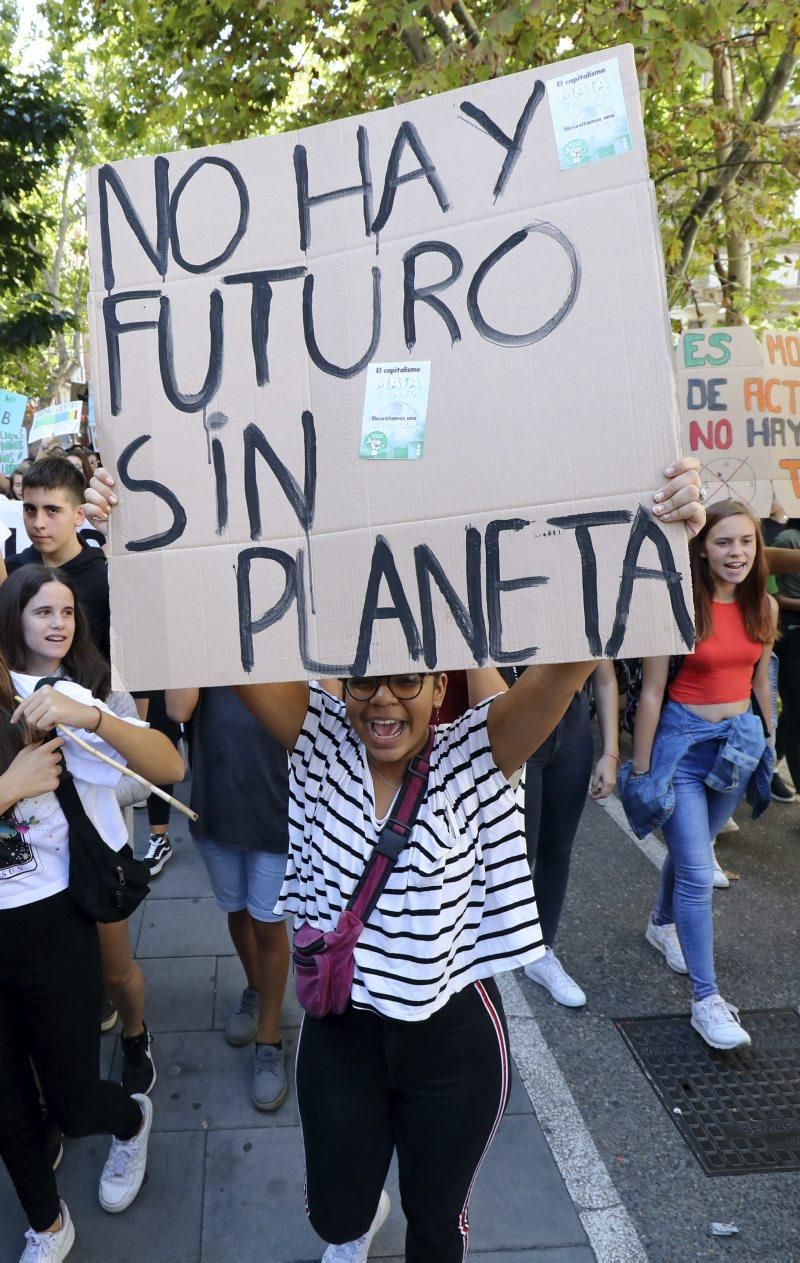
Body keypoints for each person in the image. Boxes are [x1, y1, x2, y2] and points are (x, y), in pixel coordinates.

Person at [88, 459, 704, 1261]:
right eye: (364, 681)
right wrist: (133, 534)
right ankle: (355, 1226)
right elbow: (217, 627)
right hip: (343, 1032)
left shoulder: (478, 753)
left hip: (454, 1042)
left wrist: (658, 539)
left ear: (437, 679)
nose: (384, 698)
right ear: (339, 687)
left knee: (436, 1225)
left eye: (406, 679)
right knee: (338, 1215)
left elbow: (573, 660)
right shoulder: (314, 741)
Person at [0, 563, 184, 1262]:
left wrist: (91, 713)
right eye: (41, 610)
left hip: (50, 920)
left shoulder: (52, 695)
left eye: (65, 611)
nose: (56, 623)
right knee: (8, 1105)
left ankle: (130, 1117)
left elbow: (169, 766)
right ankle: (47, 1224)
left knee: (74, 1099)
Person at [621, 500, 776, 1051]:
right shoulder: (679, 606)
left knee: (697, 847)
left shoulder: (766, 607)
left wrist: (767, 746)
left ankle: (660, 924)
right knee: (695, 870)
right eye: (724, 542)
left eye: (746, 542)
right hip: (684, 748)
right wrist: (641, 770)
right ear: (702, 548)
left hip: (736, 747)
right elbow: (653, 693)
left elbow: (761, 686)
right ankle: (707, 1001)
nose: (736, 553)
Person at [166, 686, 291, 1110]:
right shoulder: (201, 646)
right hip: (215, 809)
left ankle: (269, 1039)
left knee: (268, 923)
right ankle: (256, 989)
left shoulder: (280, 637)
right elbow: (178, 707)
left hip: (276, 812)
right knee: (236, 912)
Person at [7, 458, 110, 662]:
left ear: (79, 515)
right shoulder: (9, 572)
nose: (38, 523)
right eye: (30, 510)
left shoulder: (107, 581)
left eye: (52, 510)